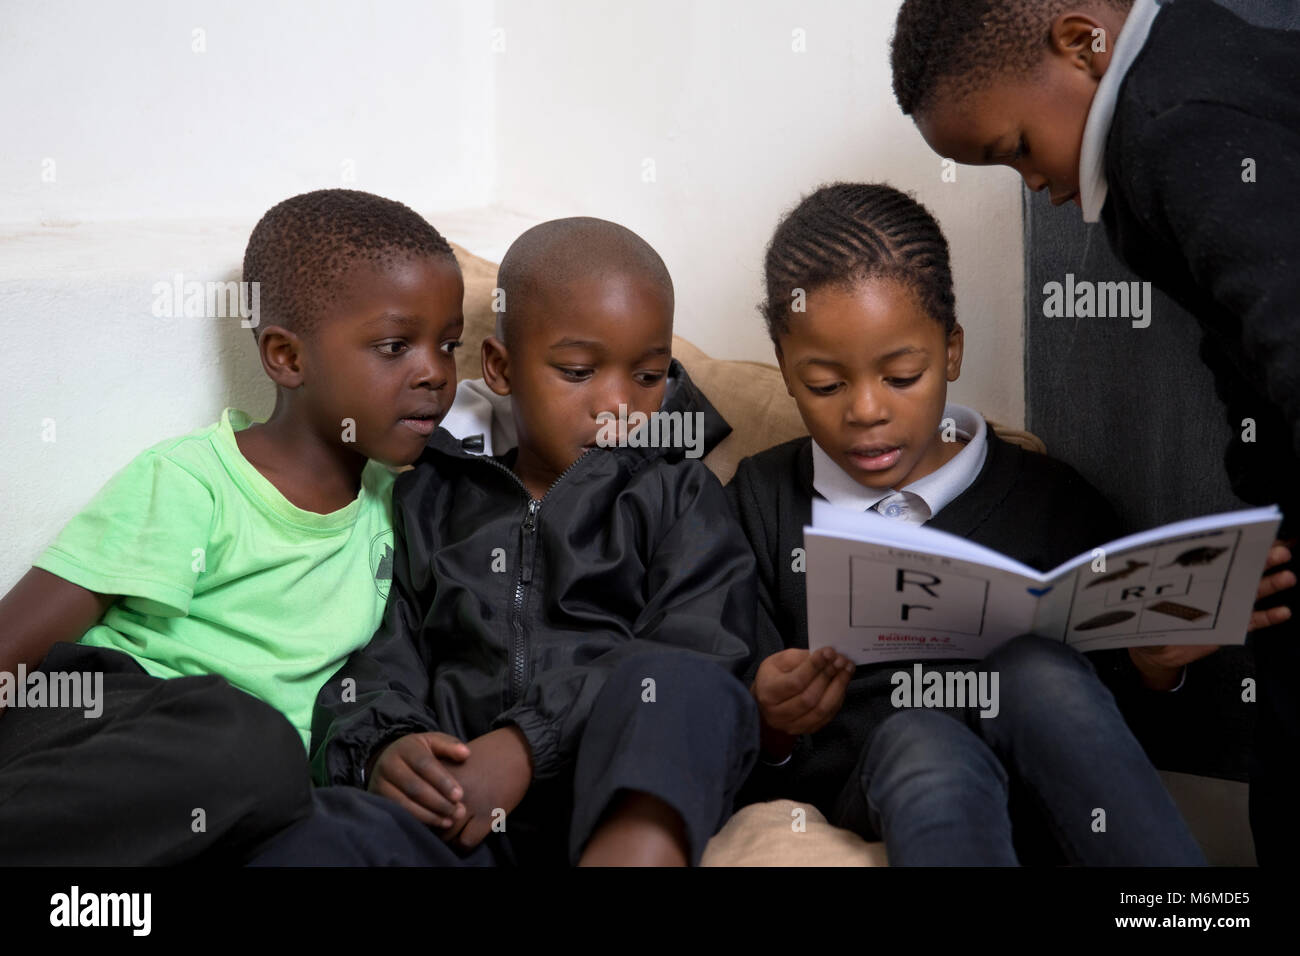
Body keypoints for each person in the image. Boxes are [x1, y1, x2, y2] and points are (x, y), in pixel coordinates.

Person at [889, 0, 1300, 862]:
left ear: (1083, 44)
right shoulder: (1198, 78)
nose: (1033, 184)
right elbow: (1247, 354)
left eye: (1016, 151)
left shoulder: (1171, 129)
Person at [728, 182, 1204, 864]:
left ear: (950, 352)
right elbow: (728, 741)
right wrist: (771, 720)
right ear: (785, 368)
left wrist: (1154, 668)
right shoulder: (760, 502)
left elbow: (1124, 749)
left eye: (901, 375)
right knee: (923, 737)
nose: (865, 410)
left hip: (1033, 796)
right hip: (878, 787)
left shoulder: (1052, 502)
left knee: (1033, 666)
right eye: (827, 385)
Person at [0, 188, 469, 864]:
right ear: (287, 357)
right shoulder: (196, 481)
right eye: (396, 345)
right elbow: (15, 643)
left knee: (305, 811)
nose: (435, 372)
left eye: (449, 343)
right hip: (102, 727)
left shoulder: (404, 505)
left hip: (231, 798)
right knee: (251, 739)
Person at [311, 216, 759, 867]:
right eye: (578, 372)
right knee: (318, 831)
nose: (618, 406)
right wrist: (385, 747)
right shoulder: (429, 498)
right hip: (459, 811)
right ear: (500, 367)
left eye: (648, 376)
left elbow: (702, 645)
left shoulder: (678, 494)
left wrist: (528, 744)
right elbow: (380, 650)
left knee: (684, 680)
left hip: (610, 795)